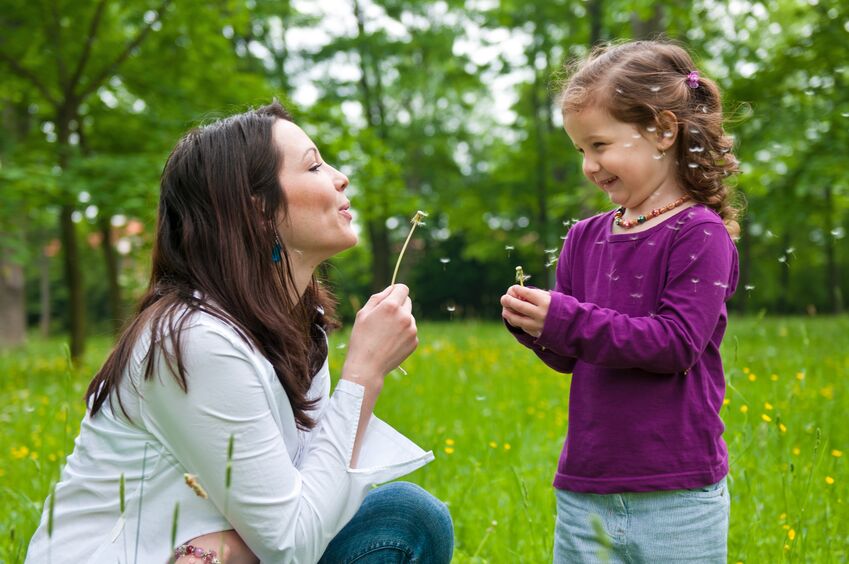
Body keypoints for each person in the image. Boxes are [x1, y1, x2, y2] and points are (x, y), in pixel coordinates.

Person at [26, 102, 453, 564]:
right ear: (259, 210)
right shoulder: (194, 339)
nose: (339, 176)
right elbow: (291, 542)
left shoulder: (298, 326)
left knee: (408, 517)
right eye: (313, 165)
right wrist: (365, 373)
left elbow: (308, 497)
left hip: (213, 550)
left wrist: (229, 548)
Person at [501, 40, 740, 563]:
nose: (589, 164)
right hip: (586, 484)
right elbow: (572, 353)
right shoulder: (584, 237)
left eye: (600, 145)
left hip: (676, 491)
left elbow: (676, 344)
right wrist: (535, 327)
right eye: (579, 150)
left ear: (662, 131)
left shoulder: (698, 234)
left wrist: (564, 318)